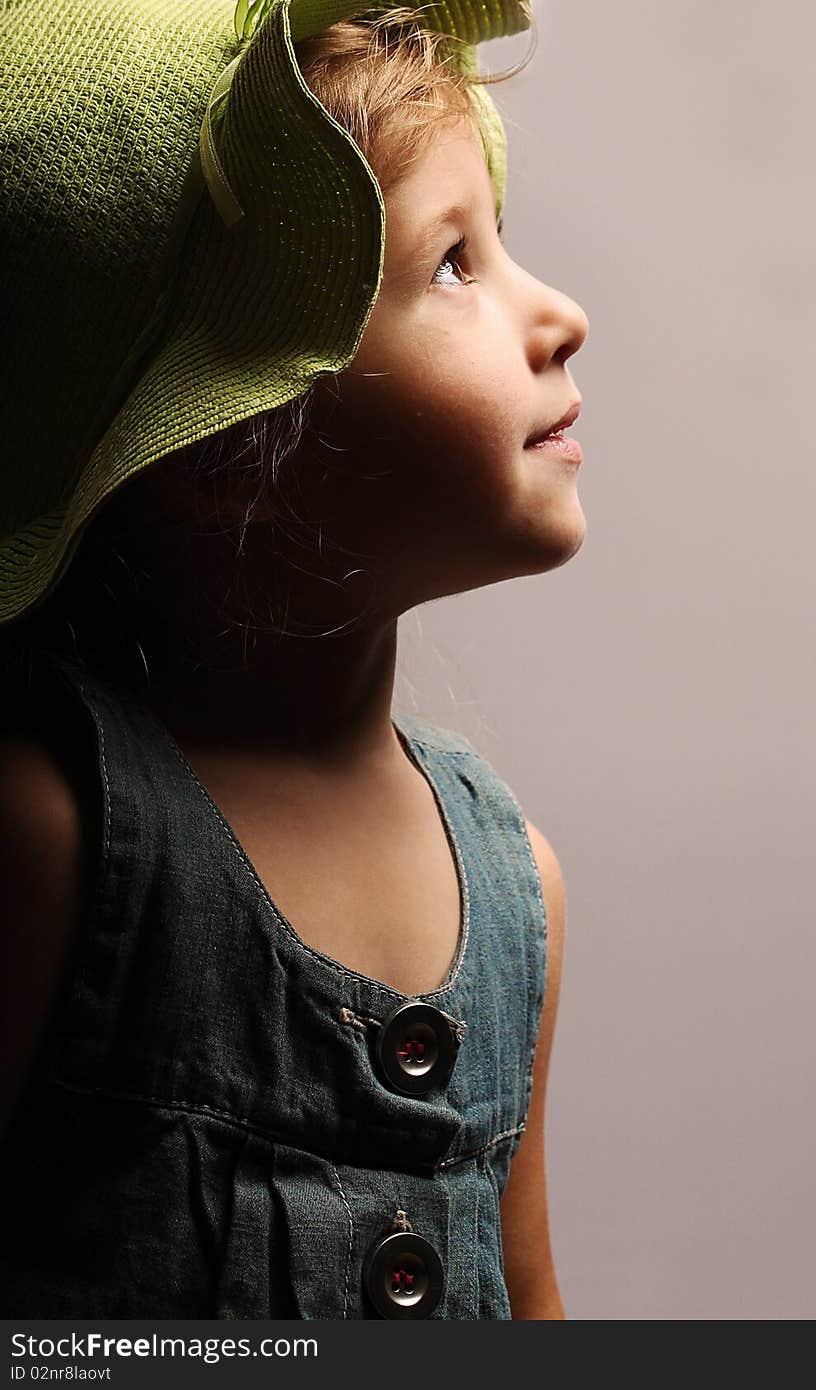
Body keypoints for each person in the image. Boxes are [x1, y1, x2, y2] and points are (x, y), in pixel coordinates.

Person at [0, 0, 588, 1319]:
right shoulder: (50, 840)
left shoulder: (520, 896)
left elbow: (534, 1300)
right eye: (455, 265)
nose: (561, 313)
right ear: (219, 449)